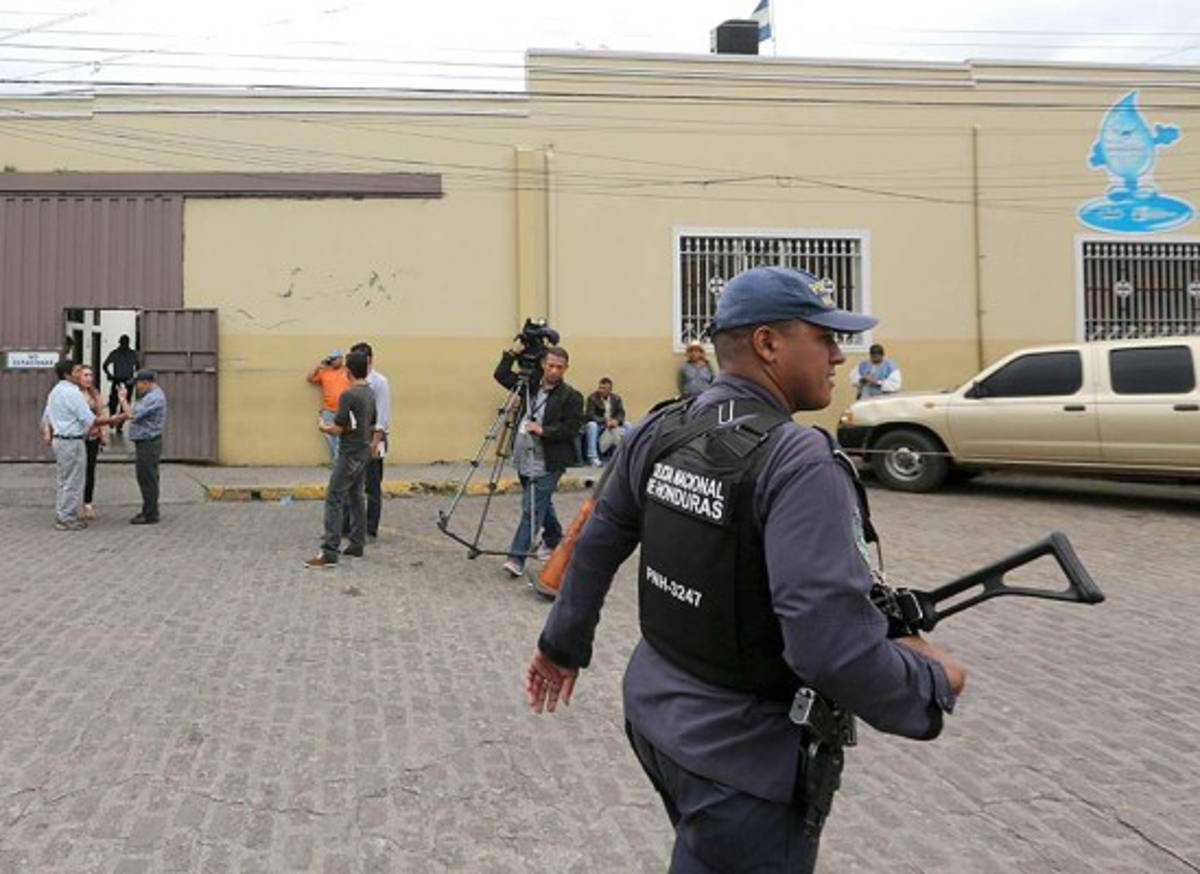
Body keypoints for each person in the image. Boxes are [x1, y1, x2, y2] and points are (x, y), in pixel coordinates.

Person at [522, 266, 966, 873]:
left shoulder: (661, 427)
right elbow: (828, 647)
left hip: (657, 717)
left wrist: (562, 644)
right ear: (768, 343)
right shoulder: (799, 458)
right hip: (741, 762)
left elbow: (598, 538)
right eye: (824, 336)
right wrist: (930, 682)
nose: (840, 353)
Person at [494, 341, 583, 578]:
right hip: (524, 456)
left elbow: (572, 428)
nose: (554, 371)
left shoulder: (571, 396)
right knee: (541, 502)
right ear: (544, 364)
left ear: (566, 368)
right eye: (551, 365)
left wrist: (544, 430)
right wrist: (513, 352)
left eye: (560, 367)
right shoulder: (530, 386)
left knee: (531, 507)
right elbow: (501, 375)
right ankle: (554, 539)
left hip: (549, 461)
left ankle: (516, 557)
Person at [305, 349, 377, 569]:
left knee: (334, 498)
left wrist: (323, 427)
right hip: (363, 450)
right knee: (356, 496)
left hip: (349, 452)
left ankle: (329, 552)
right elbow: (371, 422)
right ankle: (357, 543)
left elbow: (337, 428)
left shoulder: (349, 395)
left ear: (348, 371)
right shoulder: (370, 392)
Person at [41, 360, 120, 530]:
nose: (81, 374)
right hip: (72, 441)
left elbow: (47, 415)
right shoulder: (72, 393)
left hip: (60, 439)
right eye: (77, 371)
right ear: (67, 374)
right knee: (74, 480)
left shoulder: (56, 391)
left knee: (64, 479)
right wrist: (114, 419)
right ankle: (67, 517)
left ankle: (62, 513)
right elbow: (89, 419)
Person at [349, 341, 391, 540]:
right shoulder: (351, 380)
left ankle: (370, 527)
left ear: (369, 360)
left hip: (375, 436)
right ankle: (350, 525)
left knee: (372, 485)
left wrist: (376, 442)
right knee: (351, 483)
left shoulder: (379, 382)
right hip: (355, 436)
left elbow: (383, 415)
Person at [117, 369, 168, 525]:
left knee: (148, 478)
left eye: (138, 384)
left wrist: (122, 399)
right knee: (145, 477)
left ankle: (151, 514)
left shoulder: (154, 397)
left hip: (149, 442)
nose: (136, 387)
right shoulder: (148, 396)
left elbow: (132, 414)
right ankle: (148, 509)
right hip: (145, 442)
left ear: (146, 383)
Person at [307, 349, 352, 460]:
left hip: (344, 409)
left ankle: (338, 460)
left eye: (334, 359)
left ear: (341, 359)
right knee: (329, 434)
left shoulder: (348, 371)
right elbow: (309, 379)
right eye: (331, 359)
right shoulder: (324, 372)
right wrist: (318, 366)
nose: (332, 362)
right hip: (328, 409)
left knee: (342, 436)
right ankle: (337, 458)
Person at [78, 365, 107, 520]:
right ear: (78, 377)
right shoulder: (73, 394)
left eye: (90, 375)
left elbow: (101, 413)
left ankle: (87, 503)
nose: (89, 378)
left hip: (92, 438)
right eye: (85, 375)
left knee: (90, 470)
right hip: (77, 437)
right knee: (76, 471)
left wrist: (103, 433)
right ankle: (72, 503)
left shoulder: (94, 394)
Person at [583, 377, 628, 467]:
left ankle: (627, 455)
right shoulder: (592, 398)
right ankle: (593, 457)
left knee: (628, 425)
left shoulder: (616, 398)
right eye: (600, 387)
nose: (601, 390)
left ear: (610, 390)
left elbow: (621, 413)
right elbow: (590, 415)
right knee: (592, 425)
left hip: (612, 423)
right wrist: (605, 421)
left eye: (604, 388)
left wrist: (616, 421)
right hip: (599, 424)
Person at [102, 334, 140, 433]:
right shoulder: (115, 353)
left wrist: (133, 378)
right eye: (122, 343)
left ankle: (120, 424)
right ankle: (112, 419)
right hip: (117, 380)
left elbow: (138, 367)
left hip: (128, 381)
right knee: (113, 402)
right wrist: (110, 375)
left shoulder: (133, 354)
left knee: (125, 403)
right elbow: (105, 365)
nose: (123, 345)